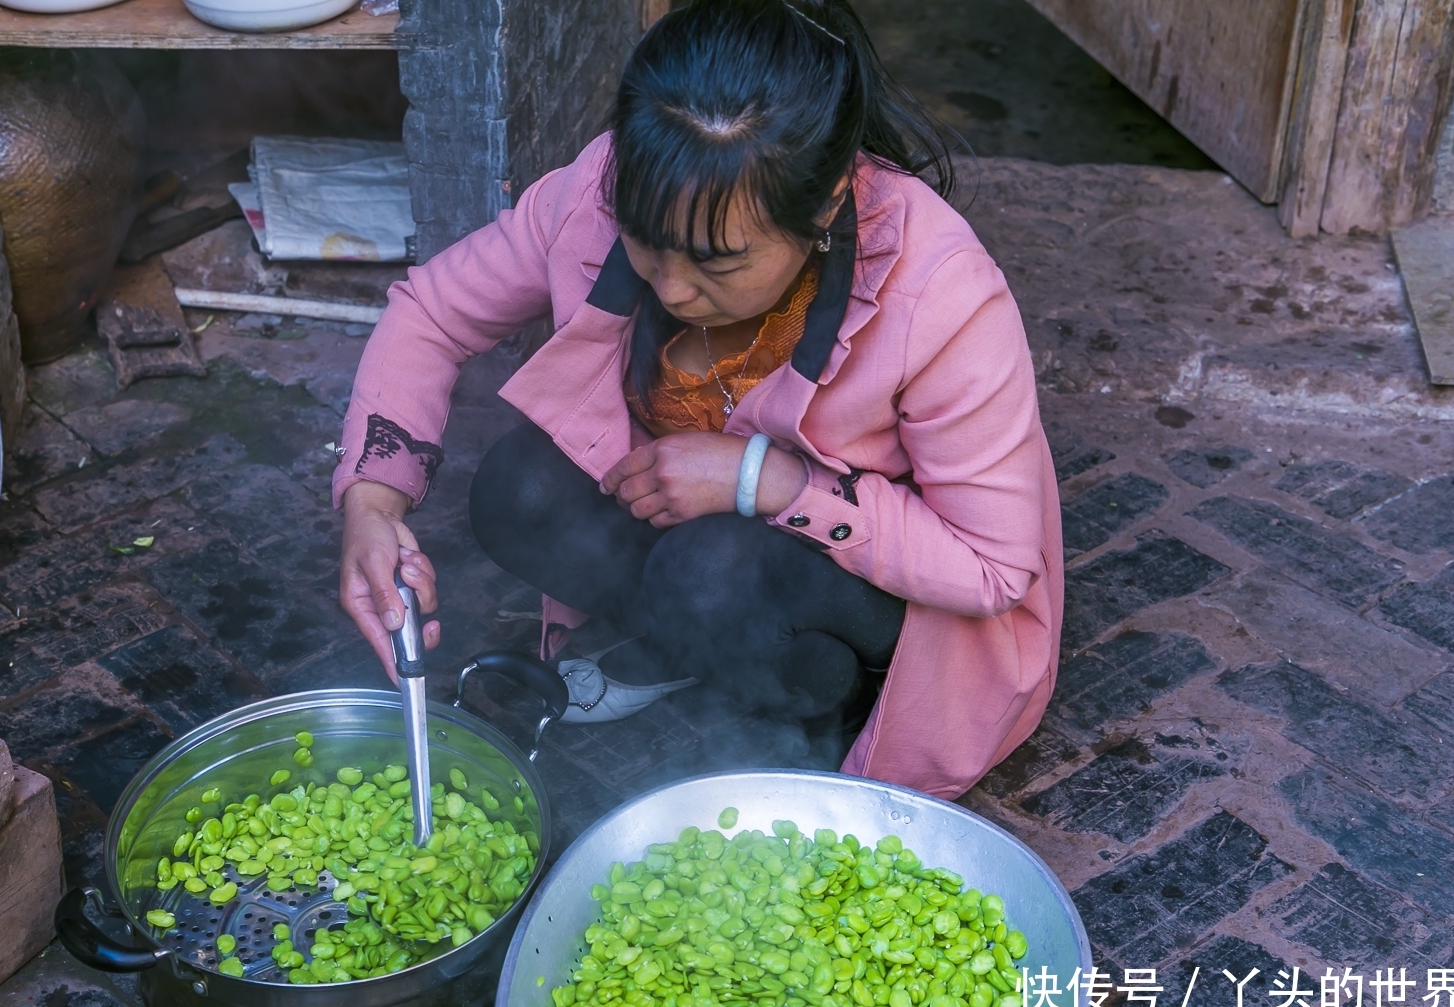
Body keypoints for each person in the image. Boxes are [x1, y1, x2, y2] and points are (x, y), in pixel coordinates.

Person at [333, 0, 1063, 798]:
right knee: (520, 489)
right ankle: (684, 649)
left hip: (866, 596)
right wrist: (373, 504)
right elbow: (432, 314)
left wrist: (766, 481)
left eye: (718, 263)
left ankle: (815, 700)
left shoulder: (941, 293)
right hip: (685, 525)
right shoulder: (605, 187)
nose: (674, 289)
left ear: (821, 210)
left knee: (710, 575)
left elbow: (993, 569)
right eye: (648, 242)